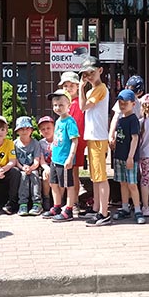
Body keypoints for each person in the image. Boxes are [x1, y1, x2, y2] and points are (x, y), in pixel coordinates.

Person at [79, 56, 112, 226]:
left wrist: (80, 87)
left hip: (98, 137)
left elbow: (83, 107)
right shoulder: (91, 91)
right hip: (92, 136)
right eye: (86, 73)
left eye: (92, 72)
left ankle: (104, 213)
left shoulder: (100, 88)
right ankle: (97, 208)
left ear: (100, 70)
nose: (89, 76)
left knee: (101, 177)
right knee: (95, 177)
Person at [43, 89, 80, 222]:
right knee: (53, 183)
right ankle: (57, 206)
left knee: (68, 185)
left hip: (64, 160)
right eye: (55, 105)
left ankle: (69, 209)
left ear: (68, 105)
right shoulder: (58, 121)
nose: (58, 108)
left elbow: (75, 140)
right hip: (55, 159)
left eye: (61, 105)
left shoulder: (70, 122)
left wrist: (70, 157)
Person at [110, 89, 144, 224]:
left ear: (133, 104)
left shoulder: (133, 119)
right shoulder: (120, 119)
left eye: (125, 103)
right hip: (119, 155)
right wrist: (113, 140)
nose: (122, 105)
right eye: (120, 103)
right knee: (122, 183)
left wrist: (130, 157)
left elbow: (135, 139)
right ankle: (125, 207)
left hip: (129, 158)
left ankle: (137, 209)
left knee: (132, 184)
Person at [58, 71, 86, 207]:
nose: (68, 88)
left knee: (73, 173)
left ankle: (74, 202)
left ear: (77, 86)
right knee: (70, 172)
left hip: (75, 142)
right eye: (65, 86)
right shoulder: (68, 103)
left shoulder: (76, 104)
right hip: (68, 142)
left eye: (71, 85)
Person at [12, 116, 42, 215]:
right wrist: (22, 168)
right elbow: (15, 160)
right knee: (23, 175)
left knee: (34, 175)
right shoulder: (14, 144)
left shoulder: (35, 143)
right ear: (17, 131)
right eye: (21, 129)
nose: (24, 131)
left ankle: (37, 203)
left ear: (31, 130)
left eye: (27, 128)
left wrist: (31, 168)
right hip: (21, 168)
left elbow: (37, 160)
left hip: (33, 168)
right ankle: (23, 203)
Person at [37, 115, 55, 210]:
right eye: (43, 129)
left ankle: (60, 199)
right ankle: (46, 197)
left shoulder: (58, 140)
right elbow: (42, 159)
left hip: (58, 165)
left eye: (48, 128)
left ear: (54, 128)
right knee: (45, 176)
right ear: (40, 132)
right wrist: (46, 168)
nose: (46, 131)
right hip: (47, 165)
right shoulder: (41, 143)